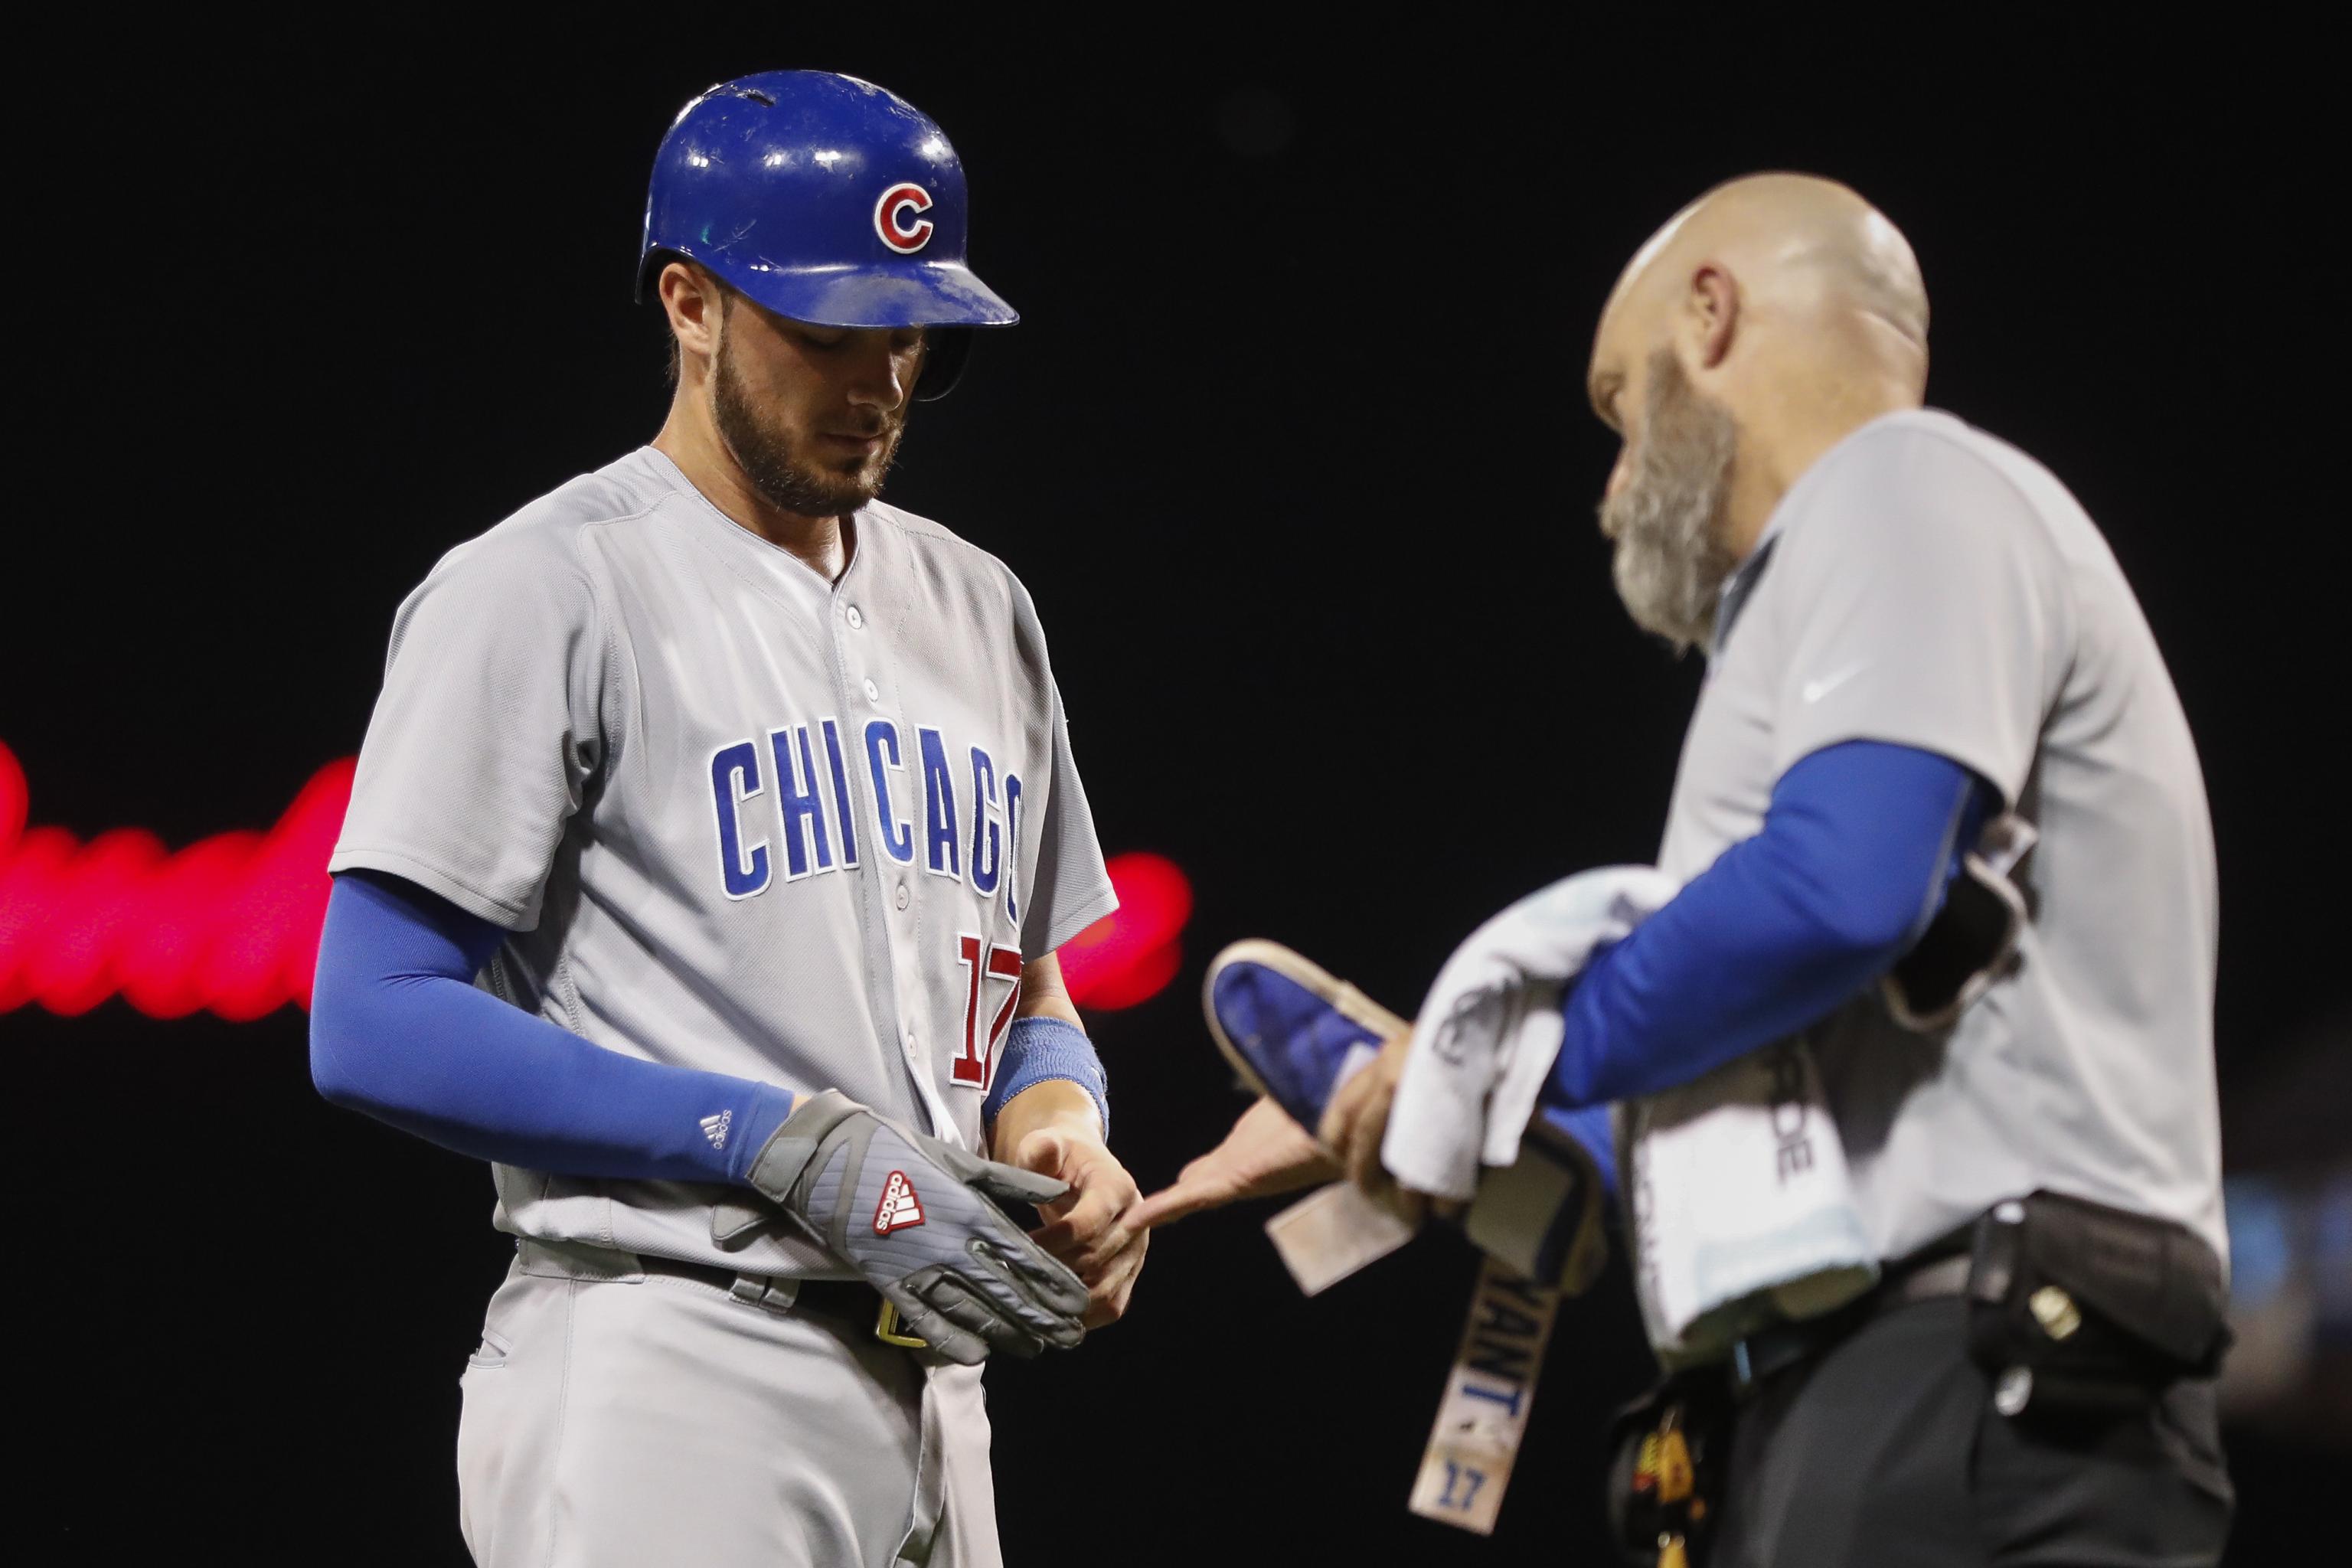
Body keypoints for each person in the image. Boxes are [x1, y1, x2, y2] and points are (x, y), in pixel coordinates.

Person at [1135, 173, 2233, 1565]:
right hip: (1913, 1380)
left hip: (1969, 1380)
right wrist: (1464, 1117)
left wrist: (1500, 1062)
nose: (1613, 480)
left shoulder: (1901, 483)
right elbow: (1831, 1002)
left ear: (1710, 315)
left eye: (1619, 407)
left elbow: (1839, 890)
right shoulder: (1878, 564)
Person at [309, 70, 1148, 1568]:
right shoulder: (547, 585)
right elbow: (370, 1017)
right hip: (669, 1361)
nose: (881, 378)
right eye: (828, 332)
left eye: (913, 334)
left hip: (937, 1394)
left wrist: (1063, 1129)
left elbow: (1030, 994)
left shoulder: (982, 604)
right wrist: (766, 1137)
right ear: (689, 302)